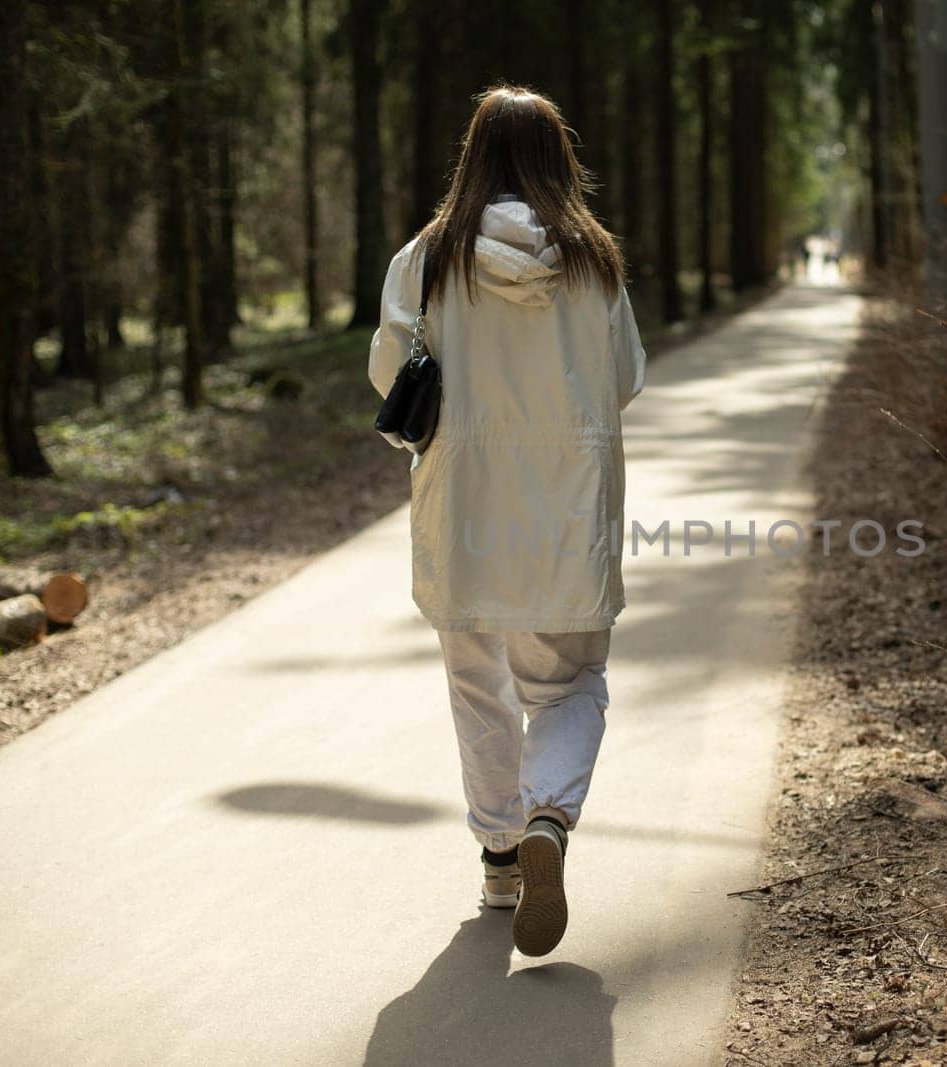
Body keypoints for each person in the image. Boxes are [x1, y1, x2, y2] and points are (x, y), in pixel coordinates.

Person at [366, 85, 646, 957]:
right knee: (566, 688)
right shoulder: (594, 258)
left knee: (476, 685)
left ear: (473, 157)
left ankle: (498, 856)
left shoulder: (428, 256)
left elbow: (389, 374)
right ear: (557, 158)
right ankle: (548, 820)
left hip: (465, 507)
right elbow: (627, 375)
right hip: (565, 510)